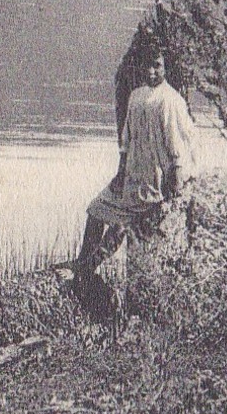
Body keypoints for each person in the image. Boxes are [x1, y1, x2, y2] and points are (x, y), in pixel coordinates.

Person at [75, 40, 194, 310]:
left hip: (155, 177)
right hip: (132, 174)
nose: (151, 72)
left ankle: (92, 269)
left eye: (157, 66)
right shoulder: (136, 96)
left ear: (166, 68)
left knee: (128, 227)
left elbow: (177, 142)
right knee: (96, 209)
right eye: (147, 66)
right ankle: (83, 263)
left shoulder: (170, 100)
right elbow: (126, 138)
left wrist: (175, 174)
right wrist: (120, 172)